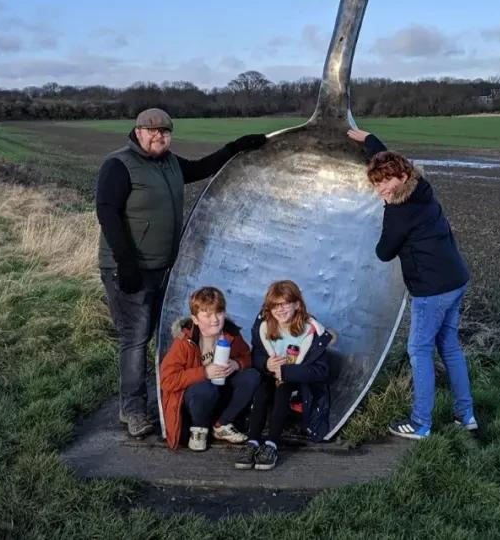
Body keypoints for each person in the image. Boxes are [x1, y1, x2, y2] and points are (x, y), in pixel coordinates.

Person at [96, 108, 267, 438]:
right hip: (128, 269)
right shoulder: (119, 164)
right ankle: (132, 409)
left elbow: (200, 168)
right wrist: (125, 262)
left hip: (164, 268)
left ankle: (171, 393)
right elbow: (107, 213)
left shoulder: (170, 164)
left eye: (165, 132)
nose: (159, 136)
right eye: (152, 131)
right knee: (135, 338)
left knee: (164, 335)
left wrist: (233, 148)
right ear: (138, 132)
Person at [347, 128, 477, 440]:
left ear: (402, 176)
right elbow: (394, 163)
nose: (381, 189)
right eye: (376, 183)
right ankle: (466, 413)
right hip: (455, 279)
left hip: (431, 290)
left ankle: (421, 423)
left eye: (385, 182)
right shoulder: (421, 187)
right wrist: (370, 141)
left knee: (418, 349)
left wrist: (386, 211)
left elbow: (383, 252)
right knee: (449, 346)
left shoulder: (398, 212)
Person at [237, 279, 335, 471]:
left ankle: (272, 444)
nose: (280, 310)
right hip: (270, 375)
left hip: (297, 381)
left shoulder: (312, 332)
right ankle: (253, 442)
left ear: (297, 304)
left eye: (285, 304)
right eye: (275, 305)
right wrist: (265, 364)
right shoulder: (264, 326)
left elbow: (321, 371)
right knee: (261, 389)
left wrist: (286, 372)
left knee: (283, 390)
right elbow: (255, 355)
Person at [159, 286, 260, 451]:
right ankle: (199, 430)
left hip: (222, 390)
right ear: (196, 319)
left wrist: (237, 364)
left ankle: (222, 424)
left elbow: (247, 356)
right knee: (205, 388)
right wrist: (204, 372)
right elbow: (167, 380)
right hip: (196, 398)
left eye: (219, 313)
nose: (215, 319)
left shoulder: (230, 334)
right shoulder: (184, 342)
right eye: (207, 315)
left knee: (252, 376)